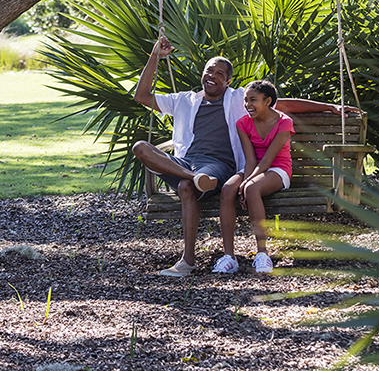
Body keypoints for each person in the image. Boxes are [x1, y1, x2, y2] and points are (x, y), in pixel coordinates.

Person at [133, 36, 354, 277]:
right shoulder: (184, 100)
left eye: (219, 73)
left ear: (228, 81)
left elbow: (282, 105)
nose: (212, 76)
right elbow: (141, 96)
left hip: (218, 166)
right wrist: (155, 56)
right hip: (186, 163)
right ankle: (193, 177)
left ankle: (187, 260)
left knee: (186, 188)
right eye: (209, 71)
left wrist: (329, 107)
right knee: (141, 147)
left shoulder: (239, 98)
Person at [213, 80, 292, 275]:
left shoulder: (284, 122)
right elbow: (250, 159)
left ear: (268, 101)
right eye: (245, 100)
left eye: (253, 100)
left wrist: (248, 183)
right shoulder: (243, 123)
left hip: (278, 169)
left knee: (252, 189)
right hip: (255, 168)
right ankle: (229, 257)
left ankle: (262, 254)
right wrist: (245, 179)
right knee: (228, 189)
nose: (247, 105)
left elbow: (268, 160)